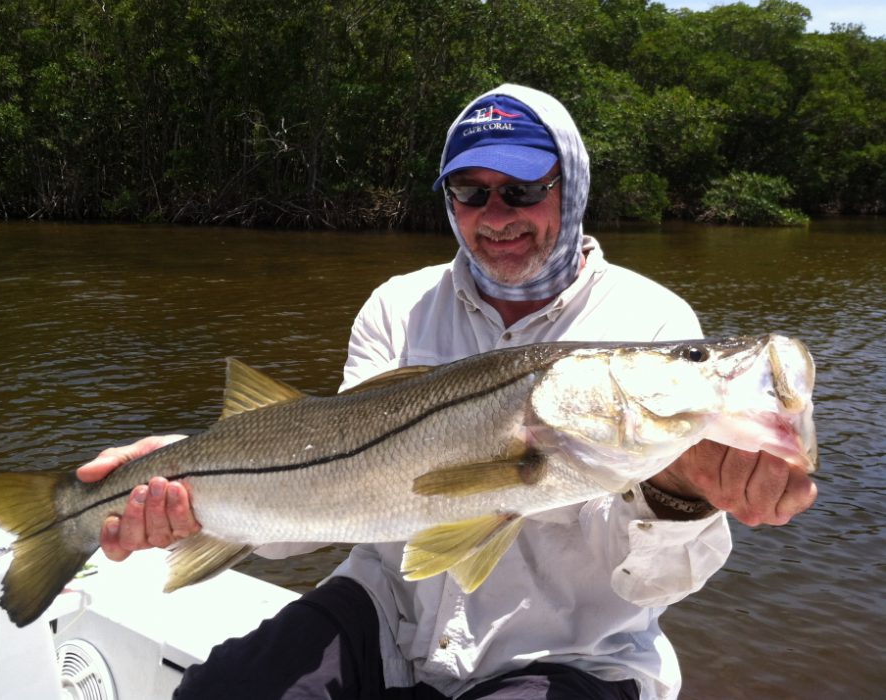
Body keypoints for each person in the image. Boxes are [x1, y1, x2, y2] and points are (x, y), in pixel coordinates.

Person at [78, 84, 817, 699]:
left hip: (565, 650)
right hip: (387, 616)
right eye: (470, 192)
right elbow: (331, 498)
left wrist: (678, 496)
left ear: (571, 187)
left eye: (522, 190)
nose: (496, 215)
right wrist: (194, 487)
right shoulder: (398, 306)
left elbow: (657, 581)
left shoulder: (650, 321)